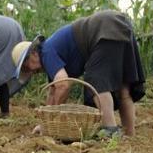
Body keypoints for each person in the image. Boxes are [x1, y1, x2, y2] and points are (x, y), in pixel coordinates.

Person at [11, 10, 145, 137]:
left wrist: (55, 116)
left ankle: (110, 131)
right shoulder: (50, 55)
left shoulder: (46, 51)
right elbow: (53, 92)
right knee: (123, 88)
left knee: (95, 80)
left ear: (33, 53)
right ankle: (129, 135)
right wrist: (44, 123)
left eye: (26, 67)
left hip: (105, 29)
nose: (31, 72)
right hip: (117, 26)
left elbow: (63, 85)